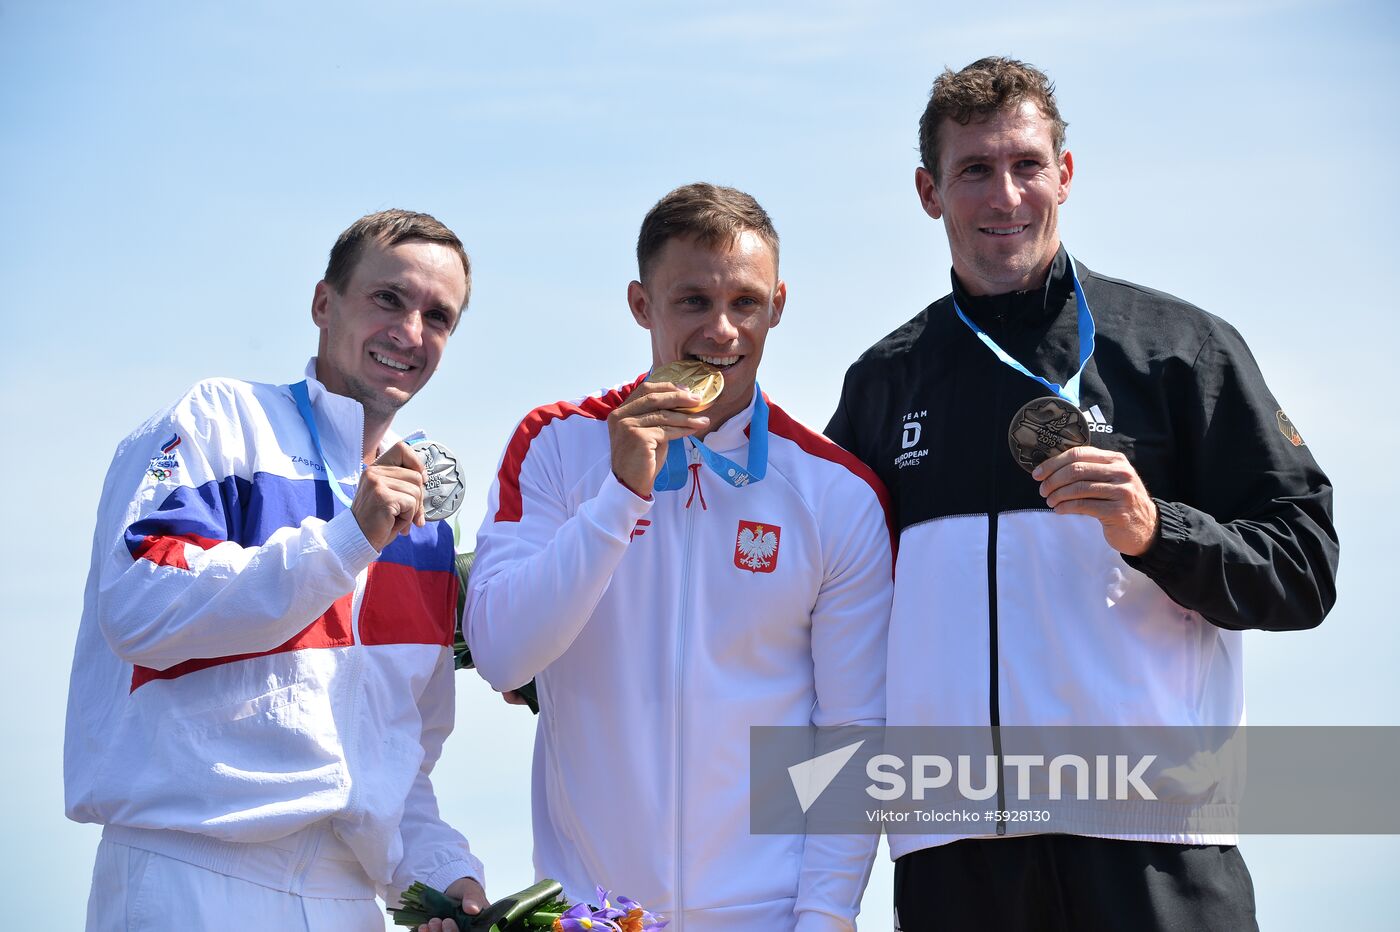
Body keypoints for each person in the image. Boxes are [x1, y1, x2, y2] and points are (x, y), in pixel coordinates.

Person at [826, 57, 1339, 930]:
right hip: (955, 859)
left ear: (1065, 172)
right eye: (975, 170)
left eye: (1027, 164)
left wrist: (1156, 529)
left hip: (1156, 847)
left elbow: (1305, 568)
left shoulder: (1181, 351)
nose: (1006, 196)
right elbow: (804, 592)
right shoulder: (884, 383)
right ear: (928, 190)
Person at [466, 183, 893, 931]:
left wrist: (825, 915)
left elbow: (851, 729)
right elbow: (502, 656)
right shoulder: (556, 445)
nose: (722, 331)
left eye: (746, 303)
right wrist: (620, 494)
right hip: (594, 913)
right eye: (692, 300)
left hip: (766, 913)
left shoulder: (836, 491)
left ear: (779, 305)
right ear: (641, 303)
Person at [64, 209, 488, 930]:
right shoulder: (218, 421)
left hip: (349, 901)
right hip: (191, 872)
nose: (411, 333)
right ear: (324, 303)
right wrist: (347, 539)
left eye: (438, 316)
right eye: (388, 298)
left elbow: (397, 759)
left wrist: (445, 877)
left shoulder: (423, 528)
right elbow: (138, 606)